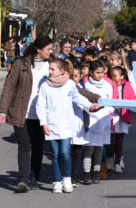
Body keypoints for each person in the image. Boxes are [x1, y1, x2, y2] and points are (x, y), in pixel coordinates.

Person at [0, 36, 54, 192]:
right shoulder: (21, 64)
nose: (51, 52)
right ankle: (23, 179)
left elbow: (68, 86)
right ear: (39, 49)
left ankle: (34, 177)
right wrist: (3, 110)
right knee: (24, 145)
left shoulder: (53, 65)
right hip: (21, 112)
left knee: (38, 147)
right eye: (48, 49)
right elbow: (9, 87)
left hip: (42, 116)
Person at [36, 59, 98, 194]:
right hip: (51, 125)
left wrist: (89, 105)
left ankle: (67, 178)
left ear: (62, 72)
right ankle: (57, 181)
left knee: (65, 152)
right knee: (55, 154)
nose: (50, 72)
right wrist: (43, 122)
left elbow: (77, 97)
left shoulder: (70, 85)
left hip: (66, 125)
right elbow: (40, 105)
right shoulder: (45, 86)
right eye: (49, 69)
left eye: (53, 69)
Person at [82, 60, 114, 185]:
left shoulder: (107, 85)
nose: (100, 75)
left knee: (99, 149)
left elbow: (111, 103)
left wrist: (106, 110)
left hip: (103, 120)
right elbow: (84, 103)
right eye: (97, 72)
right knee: (88, 149)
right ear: (91, 72)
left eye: (102, 72)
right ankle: (86, 173)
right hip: (90, 120)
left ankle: (96, 172)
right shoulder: (86, 86)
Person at [109, 66, 136, 173]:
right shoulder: (109, 85)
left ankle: (117, 163)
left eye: (116, 76)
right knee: (111, 141)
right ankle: (110, 159)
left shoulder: (127, 86)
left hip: (122, 117)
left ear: (121, 76)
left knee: (119, 141)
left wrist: (122, 108)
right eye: (112, 75)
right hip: (111, 116)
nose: (114, 78)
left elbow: (133, 100)